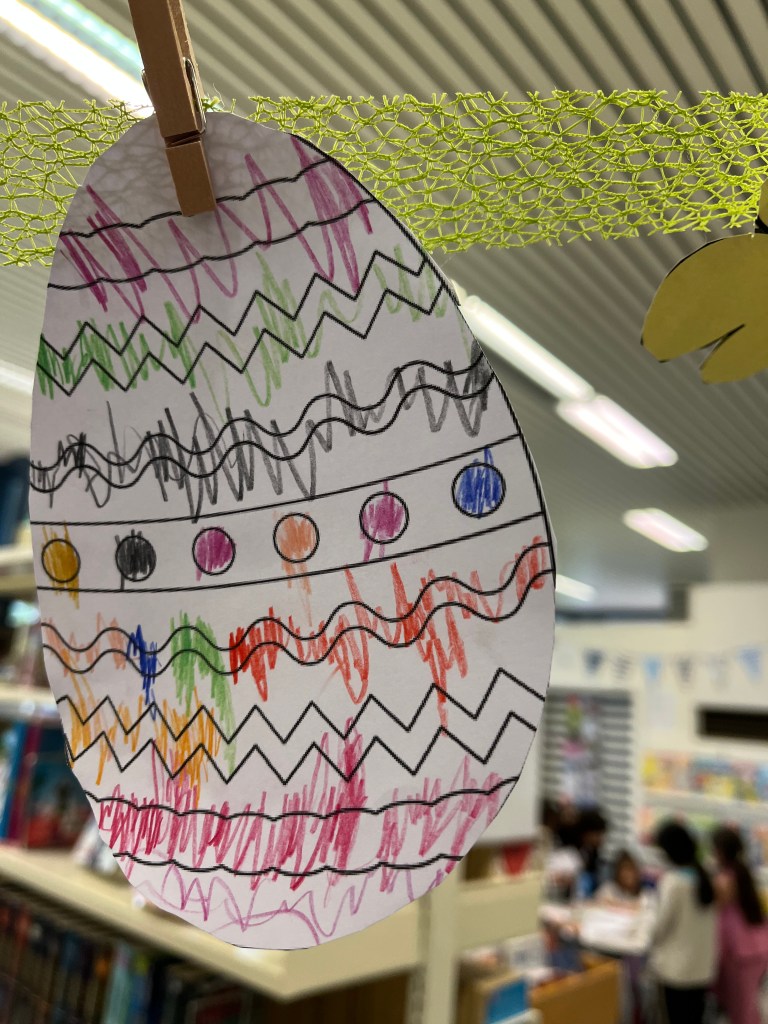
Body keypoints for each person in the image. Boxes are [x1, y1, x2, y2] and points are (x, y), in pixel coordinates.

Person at [649, 821, 716, 1023]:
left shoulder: (673, 882)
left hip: (676, 970)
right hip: (702, 967)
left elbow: (660, 927)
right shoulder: (704, 875)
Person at [711, 825, 768, 1024]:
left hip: (739, 951)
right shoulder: (743, 872)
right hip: (757, 946)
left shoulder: (725, 878)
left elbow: (716, 906)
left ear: (720, 851)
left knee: (740, 1006)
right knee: (748, 1004)